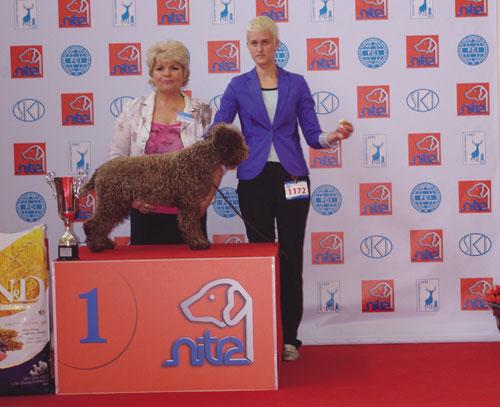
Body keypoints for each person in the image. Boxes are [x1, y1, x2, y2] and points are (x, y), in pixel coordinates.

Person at [212, 16, 353, 361]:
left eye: (265, 42)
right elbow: (220, 125)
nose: (259, 49)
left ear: (276, 45)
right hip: (253, 178)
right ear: (248, 47)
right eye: (253, 44)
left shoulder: (297, 84)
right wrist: (204, 136)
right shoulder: (237, 85)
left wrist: (331, 138)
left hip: (292, 177)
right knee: (260, 257)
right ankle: (263, 334)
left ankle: (289, 338)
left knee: (290, 258)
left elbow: (313, 133)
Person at [109, 40, 217, 245]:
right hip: (145, 213)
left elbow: (217, 162)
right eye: (160, 68)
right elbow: (117, 158)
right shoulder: (133, 109)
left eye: (174, 68)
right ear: (152, 74)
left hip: (190, 213)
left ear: (184, 74)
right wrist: (133, 198)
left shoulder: (202, 111)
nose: (166, 74)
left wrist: (205, 200)